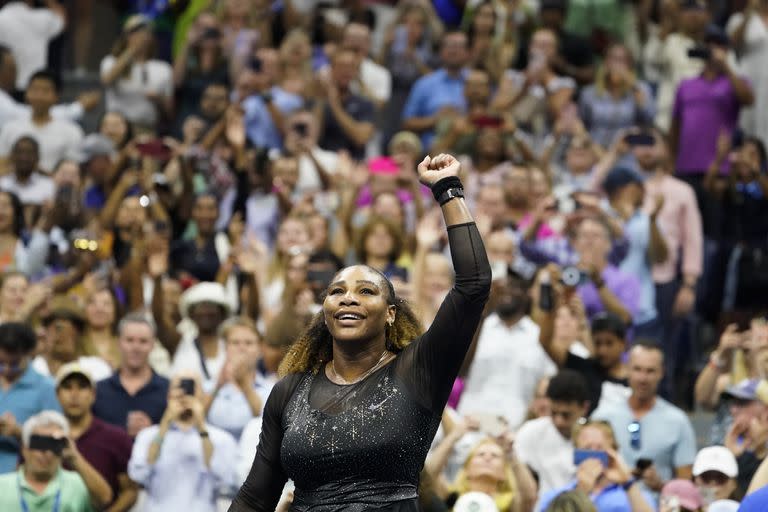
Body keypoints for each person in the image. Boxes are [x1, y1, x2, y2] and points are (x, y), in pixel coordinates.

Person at [229, 153, 492, 510]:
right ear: (325, 312)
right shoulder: (289, 391)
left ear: (390, 314)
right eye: (337, 292)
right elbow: (255, 497)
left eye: (366, 291)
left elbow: (473, 284)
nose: (348, 299)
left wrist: (448, 188)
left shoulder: (418, 370)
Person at [592, 342, 697, 493]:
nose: (643, 378)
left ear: (661, 373)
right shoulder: (603, 416)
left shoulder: (678, 421)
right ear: (627, 369)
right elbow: (587, 470)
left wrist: (661, 486)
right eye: (637, 369)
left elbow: (686, 487)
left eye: (650, 371)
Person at [458, 269, 556, 429]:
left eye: (513, 286)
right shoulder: (477, 328)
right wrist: (482, 312)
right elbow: (459, 371)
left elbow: (548, 384)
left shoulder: (539, 337)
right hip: (470, 425)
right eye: (501, 287)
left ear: (527, 293)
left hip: (516, 429)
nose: (506, 291)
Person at [128, 374, 239, 512]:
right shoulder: (148, 435)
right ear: (168, 395)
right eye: (179, 387)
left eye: (191, 388)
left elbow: (226, 480)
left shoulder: (221, 438)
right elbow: (139, 474)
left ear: (203, 395)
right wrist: (164, 425)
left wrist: (201, 427)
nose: (185, 394)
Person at [55, 362, 137, 511]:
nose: (74, 395)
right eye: (67, 387)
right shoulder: (45, 435)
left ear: (93, 394)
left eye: (82, 387)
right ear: (57, 394)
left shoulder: (116, 438)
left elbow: (130, 490)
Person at [0, 410, 113, 511]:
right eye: (38, 443)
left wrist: (74, 457)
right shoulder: (2, 485)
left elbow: (105, 499)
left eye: (52, 444)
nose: (45, 452)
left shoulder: (78, 483)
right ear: (24, 448)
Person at [538, 421, 654, 512]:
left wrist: (628, 484)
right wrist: (582, 492)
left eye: (600, 448)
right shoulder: (554, 497)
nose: (593, 455)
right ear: (576, 453)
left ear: (613, 451)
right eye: (587, 448)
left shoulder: (635, 495)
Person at [515, 370, 591, 497]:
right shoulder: (531, 432)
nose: (559, 421)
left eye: (566, 415)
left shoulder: (595, 438)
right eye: (554, 413)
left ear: (584, 408)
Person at [92, 313, 170, 436]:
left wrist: (152, 433)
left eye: (143, 341)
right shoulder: (98, 391)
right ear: (118, 343)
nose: (136, 347)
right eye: (129, 340)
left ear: (153, 345)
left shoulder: (168, 391)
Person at [0, 322, 60, 473]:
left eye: (14, 364)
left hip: (20, 475)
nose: (6, 370)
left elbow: (56, 442)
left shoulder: (46, 388)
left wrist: (19, 432)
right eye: (0, 363)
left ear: (28, 355)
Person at [0, 70, 84, 173]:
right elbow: (2, 166)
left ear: (57, 96)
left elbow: (74, 172)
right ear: (26, 93)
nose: (39, 96)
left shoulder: (72, 132)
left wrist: (41, 175)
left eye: (45, 91)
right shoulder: (10, 128)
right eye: (34, 90)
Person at [401, 31, 470, 149]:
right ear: (441, 52)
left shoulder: (476, 81)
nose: (453, 51)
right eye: (449, 46)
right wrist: (435, 119)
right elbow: (407, 122)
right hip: (431, 150)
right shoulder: (425, 84)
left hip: (468, 148)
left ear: (468, 52)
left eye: (458, 46)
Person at [316, 48, 375, 161]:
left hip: (354, 163)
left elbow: (361, 138)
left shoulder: (365, 104)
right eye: (341, 66)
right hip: (322, 163)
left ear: (356, 71)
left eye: (350, 67)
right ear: (331, 69)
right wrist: (322, 99)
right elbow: (312, 138)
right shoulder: (318, 101)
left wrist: (335, 105)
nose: (346, 71)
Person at [0, 0, 65, 90]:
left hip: (8, 86)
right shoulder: (43, 18)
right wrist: (50, 2)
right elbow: (61, 21)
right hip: (35, 87)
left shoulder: (1, 18)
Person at [0, 136, 55, 207]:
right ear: (12, 156)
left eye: (29, 153)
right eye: (20, 152)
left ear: (37, 157)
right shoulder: (2, 183)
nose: (24, 157)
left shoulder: (48, 185)